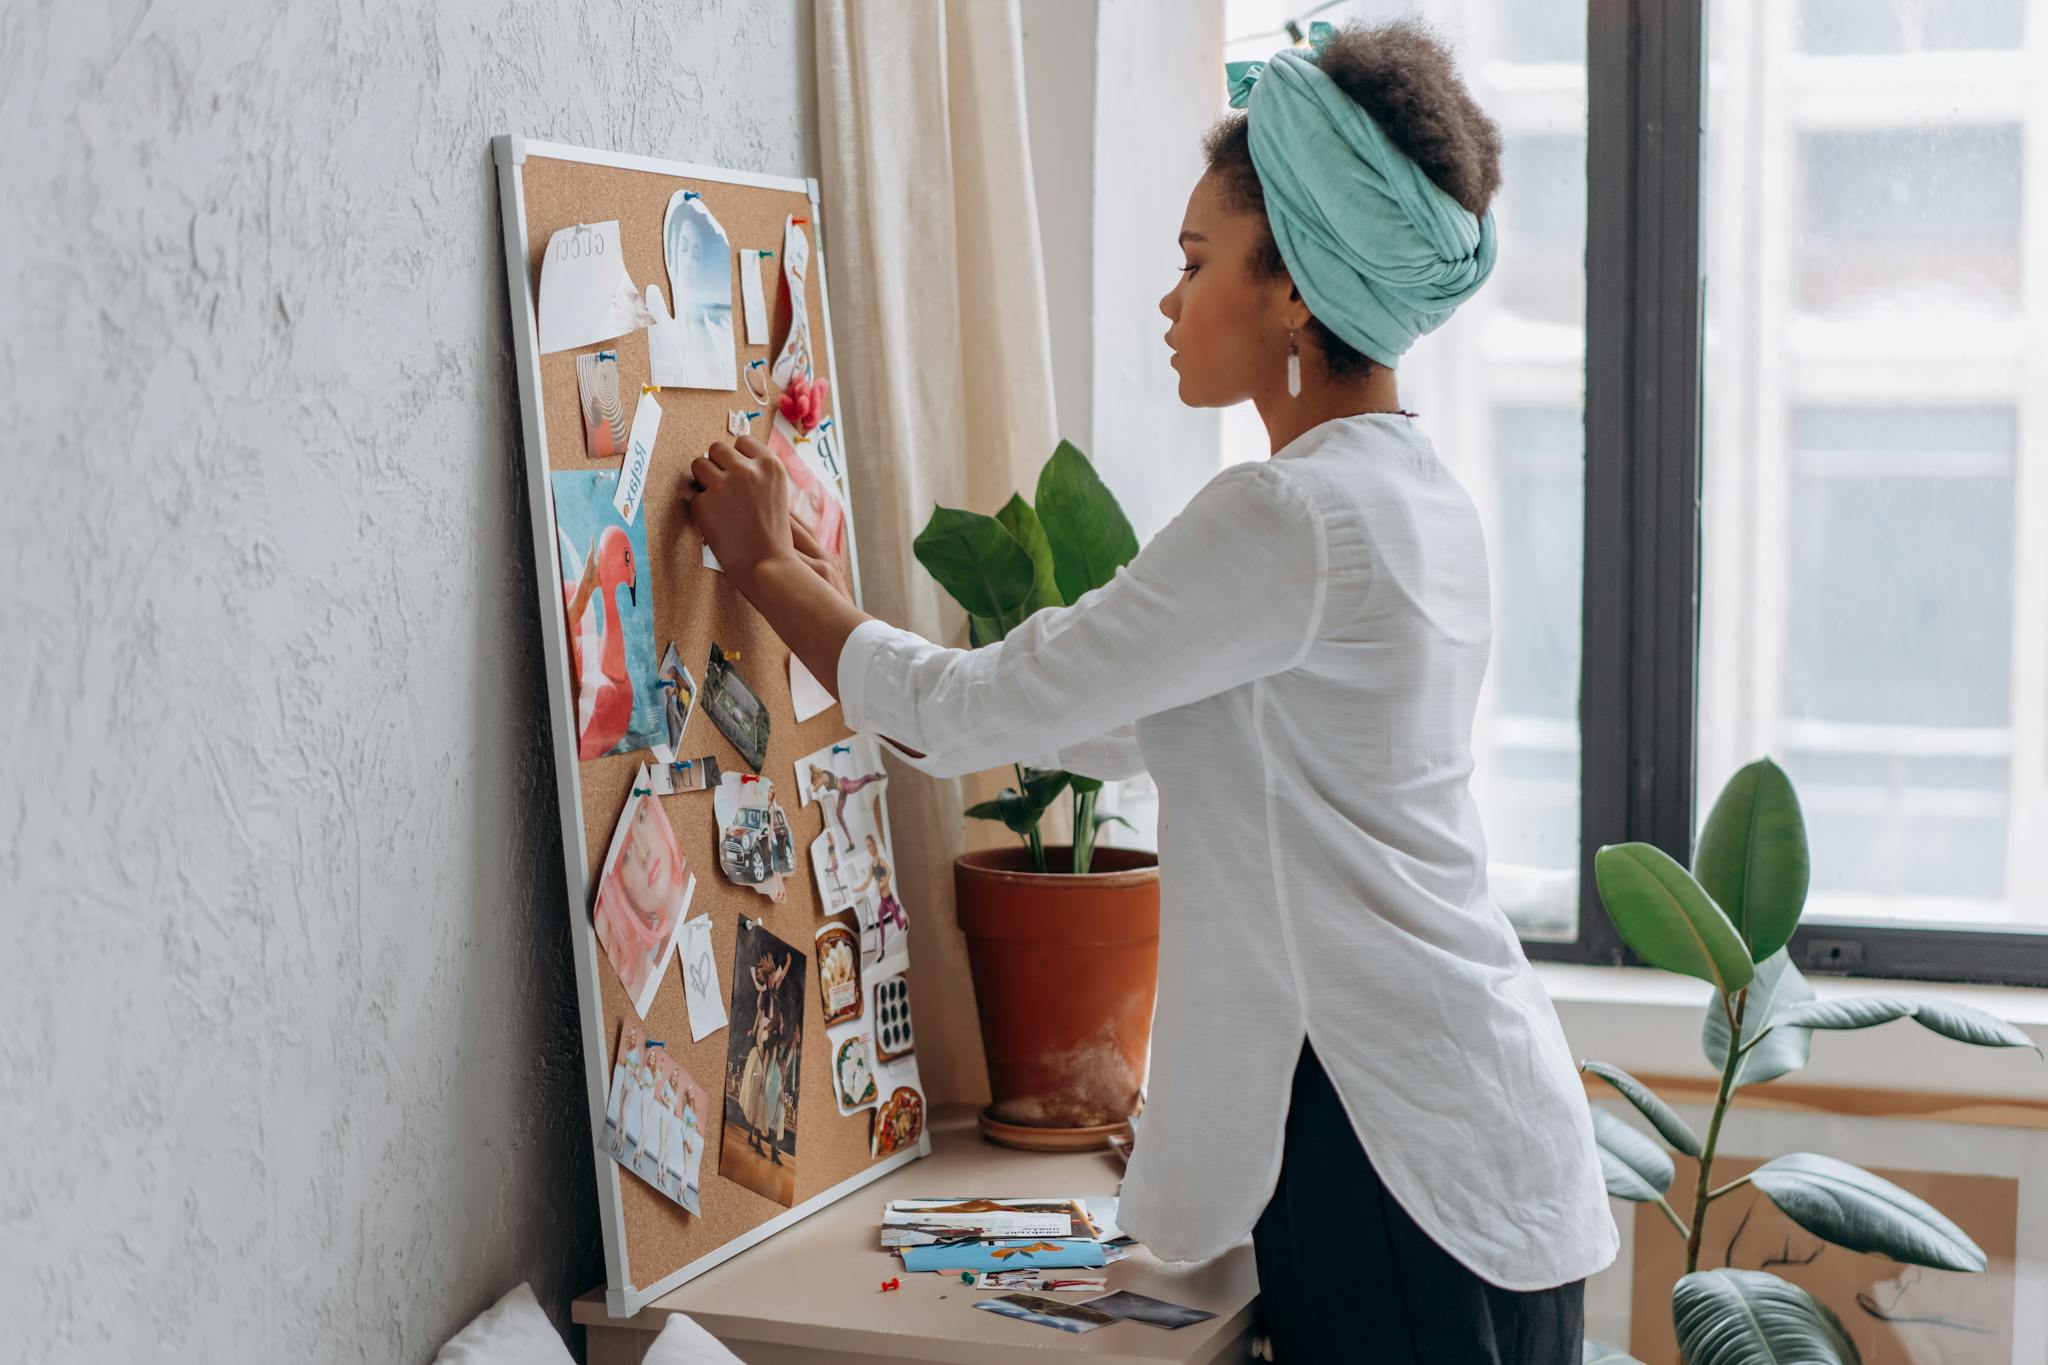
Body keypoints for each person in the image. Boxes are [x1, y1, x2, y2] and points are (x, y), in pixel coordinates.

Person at [679, 18, 1614, 1361]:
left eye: (1195, 262)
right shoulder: (1414, 500)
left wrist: (764, 564)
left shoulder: (1288, 519)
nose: (1168, 301)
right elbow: (1118, 721)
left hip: (1388, 1161)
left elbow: (964, 716)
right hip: (1482, 1144)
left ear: (1293, 287)